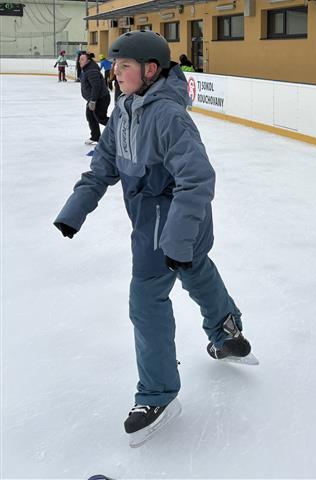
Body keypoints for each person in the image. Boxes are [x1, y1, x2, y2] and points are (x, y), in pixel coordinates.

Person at [53, 31, 255, 447]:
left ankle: (158, 393)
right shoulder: (125, 110)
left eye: (124, 65)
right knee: (196, 271)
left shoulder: (167, 115)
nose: (115, 72)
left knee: (145, 302)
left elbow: (197, 177)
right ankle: (226, 329)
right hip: (161, 223)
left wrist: (175, 240)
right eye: (114, 65)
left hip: (171, 225)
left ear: (149, 70)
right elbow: (103, 167)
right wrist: (74, 211)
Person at [79, 51, 110, 145]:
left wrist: (93, 101)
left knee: (100, 118)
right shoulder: (87, 68)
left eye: (82, 59)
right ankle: (95, 137)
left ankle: (120, 127)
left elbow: (96, 87)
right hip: (94, 98)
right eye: (79, 59)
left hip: (100, 98)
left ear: (88, 61)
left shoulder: (91, 70)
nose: (79, 61)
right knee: (90, 116)